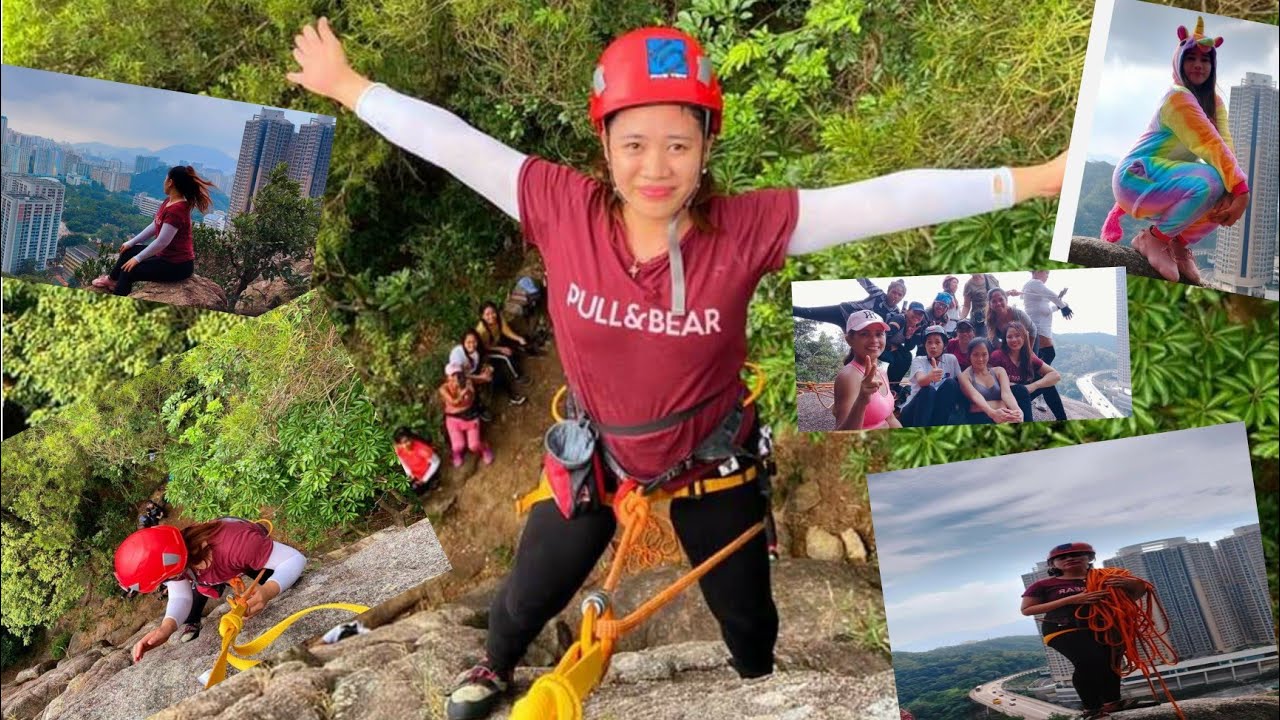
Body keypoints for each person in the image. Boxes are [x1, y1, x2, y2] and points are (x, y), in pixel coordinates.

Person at [287, 19, 1065, 719]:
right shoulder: (561, 208)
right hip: (596, 453)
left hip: (710, 460)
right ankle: (493, 666)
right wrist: (352, 87)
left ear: (705, 148)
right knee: (525, 595)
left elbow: (884, 199)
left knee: (748, 613)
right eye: (634, 144)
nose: (655, 168)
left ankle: (758, 685)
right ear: (605, 147)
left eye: (678, 144)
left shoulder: (746, 228)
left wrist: (1030, 180)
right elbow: (457, 145)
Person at [1101, 17, 1250, 285]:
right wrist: (1241, 189)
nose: (1198, 65)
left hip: (1165, 184)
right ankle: (1154, 239)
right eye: (1190, 58)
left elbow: (1225, 145)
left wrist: (1235, 191)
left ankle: (1179, 244)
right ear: (1178, 62)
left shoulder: (1214, 104)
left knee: (1225, 187)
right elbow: (1209, 144)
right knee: (1217, 179)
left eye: (1205, 60)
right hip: (1135, 178)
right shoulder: (1177, 97)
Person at [114, 519, 306, 662]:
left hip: (239, 557)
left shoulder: (236, 545)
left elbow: (294, 559)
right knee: (201, 592)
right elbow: (181, 595)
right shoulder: (173, 556)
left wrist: (267, 592)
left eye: (163, 581)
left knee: (282, 580)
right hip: (209, 573)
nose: (164, 585)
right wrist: (166, 629)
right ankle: (193, 621)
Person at [1021, 543, 1149, 719]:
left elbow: (1130, 598)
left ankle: (1112, 703)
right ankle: (1091, 708)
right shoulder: (1044, 585)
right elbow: (1027, 609)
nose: (1070, 558)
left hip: (1104, 626)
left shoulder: (1106, 577)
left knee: (1111, 662)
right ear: (1052, 564)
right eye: (1062, 557)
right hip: (1063, 628)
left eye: (1077, 554)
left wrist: (1131, 584)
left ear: (1089, 558)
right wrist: (1074, 599)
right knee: (1088, 661)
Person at [92, 166, 213, 297]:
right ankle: (112, 281)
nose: (164, 181)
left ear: (170, 182)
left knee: (129, 270)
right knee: (128, 251)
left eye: (166, 178)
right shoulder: (169, 201)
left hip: (177, 265)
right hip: (165, 256)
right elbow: (156, 224)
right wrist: (132, 242)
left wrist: (138, 259)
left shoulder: (177, 209)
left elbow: (162, 242)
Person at [832, 310, 901, 431]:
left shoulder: (882, 373)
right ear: (849, 340)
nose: (874, 340)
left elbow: (890, 418)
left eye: (879, 334)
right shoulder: (849, 376)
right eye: (864, 334)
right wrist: (861, 400)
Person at [991, 321, 1067, 422]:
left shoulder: (1028, 356)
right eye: (1009, 337)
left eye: (1017, 335)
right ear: (1005, 339)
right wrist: (1010, 385)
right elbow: (987, 379)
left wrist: (1033, 386)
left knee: (1047, 385)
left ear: (1024, 337)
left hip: (1024, 393)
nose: (1014, 340)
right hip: (1003, 396)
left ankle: (1062, 420)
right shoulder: (998, 356)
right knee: (1020, 390)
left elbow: (1055, 375)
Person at [899, 325, 963, 428]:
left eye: (937, 342)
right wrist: (930, 377)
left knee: (951, 384)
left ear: (944, 345)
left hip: (936, 412)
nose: (933, 346)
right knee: (928, 390)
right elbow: (921, 381)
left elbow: (962, 381)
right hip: (914, 412)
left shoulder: (951, 359)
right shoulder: (918, 360)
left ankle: (938, 431)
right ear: (924, 345)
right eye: (929, 342)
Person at [450, 329, 527, 407]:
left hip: (473, 373)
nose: (472, 345)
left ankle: (512, 397)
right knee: (470, 388)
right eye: (469, 342)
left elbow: (479, 363)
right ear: (463, 342)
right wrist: (481, 377)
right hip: (462, 381)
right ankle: (480, 410)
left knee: (497, 373)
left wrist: (486, 367)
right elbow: (458, 376)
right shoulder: (457, 353)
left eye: (474, 342)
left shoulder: (476, 351)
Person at [440, 362, 494, 467]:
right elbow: (453, 402)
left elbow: (470, 400)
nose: (455, 378)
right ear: (447, 377)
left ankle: (485, 449)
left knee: (474, 445)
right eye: (452, 375)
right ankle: (456, 454)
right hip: (453, 419)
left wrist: (468, 390)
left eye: (458, 374)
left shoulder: (468, 383)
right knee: (458, 446)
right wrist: (461, 395)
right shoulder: (444, 388)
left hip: (470, 416)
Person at [956, 338, 1022, 424]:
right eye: (975, 355)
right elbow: (975, 397)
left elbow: (1007, 394)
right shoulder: (964, 376)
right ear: (969, 356)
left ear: (989, 355)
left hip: (1001, 412)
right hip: (979, 417)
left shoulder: (999, 371)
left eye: (984, 354)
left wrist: (1018, 412)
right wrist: (994, 412)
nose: (980, 359)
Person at [1016, 271, 1072, 364]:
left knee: (1042, 354)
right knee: (1048, 353)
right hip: (1038, 324)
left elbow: (1044, 309)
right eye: (1046, 272)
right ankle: (1039, 376)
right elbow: (1050, 294)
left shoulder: (1032, 285)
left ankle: (1038, 376)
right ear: (1038, 271)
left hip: (1042, 325)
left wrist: (1058, 307)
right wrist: (1063, 306)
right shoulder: (1034, 283)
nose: (1047, 276)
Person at [476, 301, 531, 385]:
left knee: (519, 339)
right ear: (482, 316)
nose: (491, 316)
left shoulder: (499, 317)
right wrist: (501, 349)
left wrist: (519, 338)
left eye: (493, 312)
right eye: (487, 314)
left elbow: (506, 330)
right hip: (487, 350)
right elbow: (483, 346)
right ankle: (517, 376)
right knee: (506, 357)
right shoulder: (481, 330)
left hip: (497, 341)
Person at [960, 273, 1000, 339]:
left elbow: (999, 294)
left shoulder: (991, 278)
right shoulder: (968, 285)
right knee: (984, 342)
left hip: (995, 316)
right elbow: (966, 306)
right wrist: (961, 320)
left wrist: (1009, 293)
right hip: (980, 321)